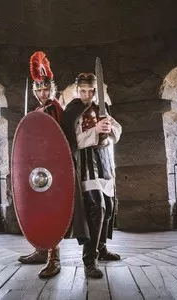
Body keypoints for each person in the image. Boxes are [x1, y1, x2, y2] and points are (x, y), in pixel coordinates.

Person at [61, 72, 122, 279]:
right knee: (97, 207)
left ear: (96, 91)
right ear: (78, 90)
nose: (87, 94)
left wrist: (109, 127)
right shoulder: (72, 111)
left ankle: (102, 248)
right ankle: (90, 259)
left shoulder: (101, 108)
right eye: (83, 90)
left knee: (109, 207)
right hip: (86, 166)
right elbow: (74, 140)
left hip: (105, 163)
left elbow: (118, 131)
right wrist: (95, 129)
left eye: (91, 90)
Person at [17, 51, 63, 279]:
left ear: (53, 90)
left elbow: (62, 142)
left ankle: (54, 258)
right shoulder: (36, 111)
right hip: (38, 171)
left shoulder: (56, 109)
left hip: (55, 170)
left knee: (53, 210)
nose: (43, 93)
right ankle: (41, 249)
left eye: (46, 89)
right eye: (39, 90)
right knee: (38, 208)